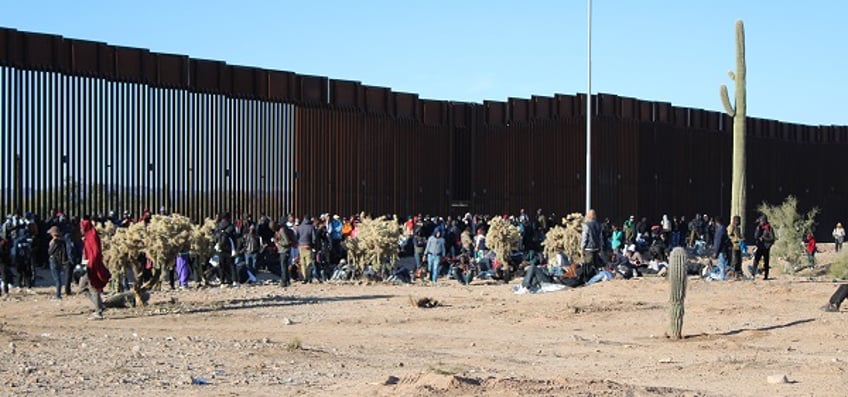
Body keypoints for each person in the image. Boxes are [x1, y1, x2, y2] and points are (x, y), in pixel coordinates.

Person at [80, 218, 110, 319]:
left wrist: (90, 265)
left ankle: (98, 312)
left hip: (93, 267)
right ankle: (100, 306)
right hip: (88, 266)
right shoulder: (88, 237)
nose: (80, 229)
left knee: (93, 288)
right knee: (83, 287)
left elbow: (94, 253)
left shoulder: (92, 236)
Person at [47, 226, 69, 299]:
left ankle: (58, 294)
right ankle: (58, 294)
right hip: (59, 260)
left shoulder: (55, 242)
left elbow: (50, 252)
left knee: (57, 278)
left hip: (54, 260)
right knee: (58, 277)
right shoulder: (62, 241)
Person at [580, 209, 604, 275]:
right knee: (596, 264)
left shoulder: (586, 225)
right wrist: (600, 247)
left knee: (588, 265)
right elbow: (600, 237)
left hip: (588, 248)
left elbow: (585, 238)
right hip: (596, 247)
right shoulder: (599, 225)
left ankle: (589, 279)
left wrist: (582, 247)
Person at [752, 215, 776, 280]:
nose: (761, 222)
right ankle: (753, 274)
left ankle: (766, 275)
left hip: (766, 247)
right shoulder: (759, 228)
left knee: (766, 262)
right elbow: (755, 237)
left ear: (765, 221)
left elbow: (772, 238)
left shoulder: (769, 228)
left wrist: (764, 238)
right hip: (760, 246)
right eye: (760, 221)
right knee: (756, 260)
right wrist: (757, 230)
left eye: (762, 221)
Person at [296, 214, 317, 284]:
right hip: (308, 246)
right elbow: (314, 238)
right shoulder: (311, 227)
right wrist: (313, 245)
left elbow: (297, 237)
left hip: (301, 247)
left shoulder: (299, 227)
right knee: (309, 263)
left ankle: (304, 277)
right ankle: (309, 278)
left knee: (302, 263)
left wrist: (299, 244)